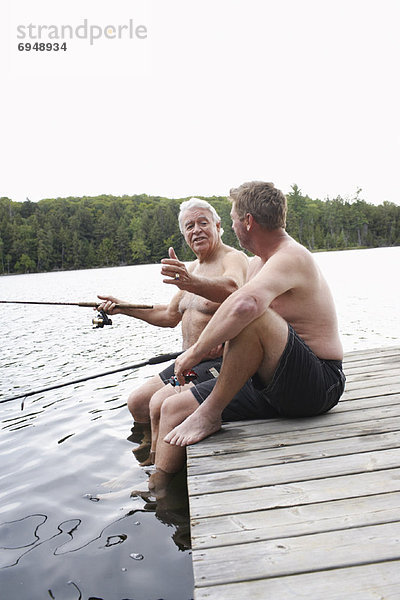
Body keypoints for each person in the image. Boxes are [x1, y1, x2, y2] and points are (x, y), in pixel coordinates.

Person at [148, 181, 346, 491]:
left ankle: (210, 414)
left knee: (253, 313)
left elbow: (245, 306)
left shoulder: (291, 256)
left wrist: (194, 352)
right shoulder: (257, 265)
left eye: (232, 219)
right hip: (271, 383)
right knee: (173, 408)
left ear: (248, 221)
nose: (232, 225)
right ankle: (158, 490)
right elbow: (233, 319)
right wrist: (211, 354)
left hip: (319, 384)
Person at [97, 198, 248, 464]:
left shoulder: (232, 259)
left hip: (219, 363)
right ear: (184, 234)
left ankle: (155, 468)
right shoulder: (192, 269)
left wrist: (192, 282)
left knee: (158, 403)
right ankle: (147, 450)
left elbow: (234, 288)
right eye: (190, 226)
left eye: (203, 222)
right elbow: (168, 316)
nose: (197, 230)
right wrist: (123, 307)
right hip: (187, 362)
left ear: (218, 225)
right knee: (138, 401)